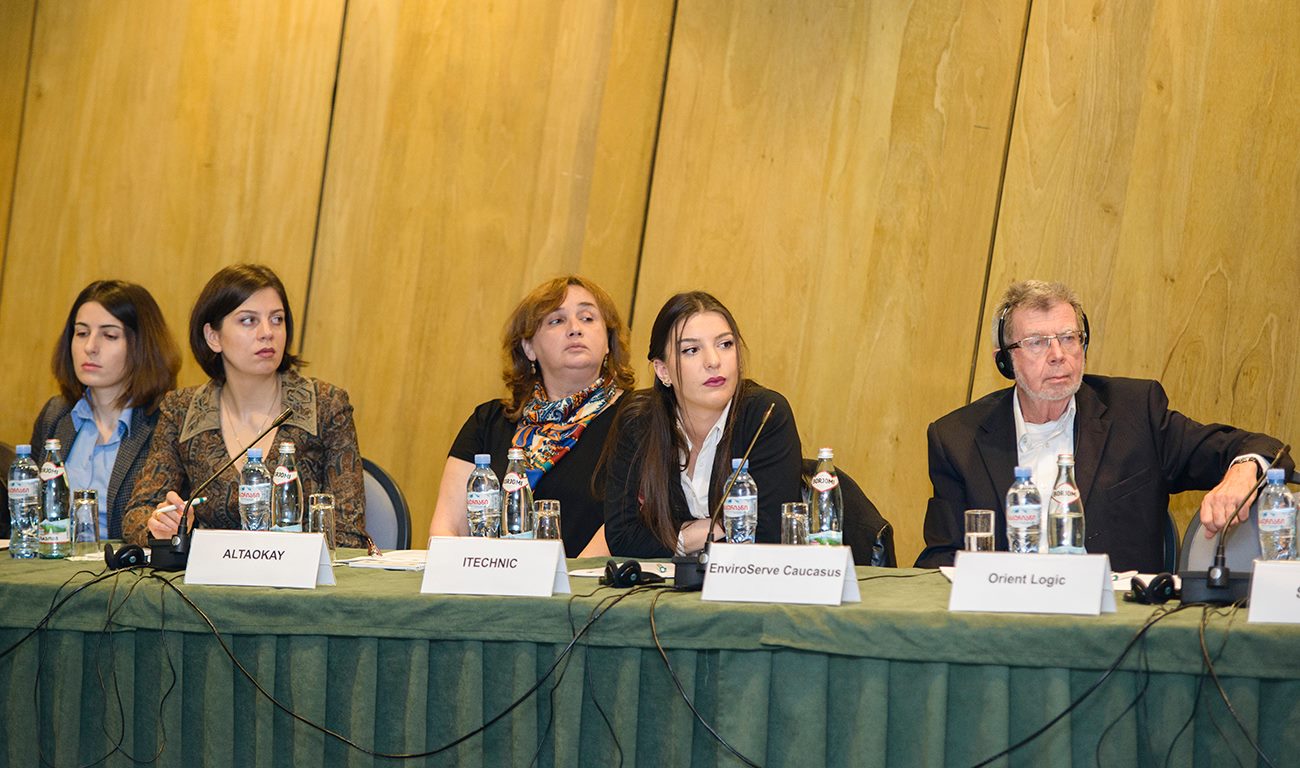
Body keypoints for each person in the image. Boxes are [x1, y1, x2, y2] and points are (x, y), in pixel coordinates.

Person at [916, 280, 1292, 572]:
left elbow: (1265, 448)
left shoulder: (1135, 413)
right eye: (1037, 343)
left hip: (1116, 630)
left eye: (1069, 338)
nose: (1058, 355)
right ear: (1005, 361)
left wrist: (1245, 469)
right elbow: (940, 561)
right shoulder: (957, 439)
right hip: (1005, 625)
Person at [122, 264, 367, 548]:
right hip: (210, 573)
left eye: (277, 319)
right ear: (213, 337)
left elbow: (349, 532)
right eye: (249, 320)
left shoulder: (325, 405)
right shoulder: (182, 410)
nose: (267, 333)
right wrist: (161, 526)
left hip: (298, 572)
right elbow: (138, 514)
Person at [429, 276, 635, 557]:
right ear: (528, 348)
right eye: (556, 321)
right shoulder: (489, 421)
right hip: (488, 576)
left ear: (609, 342)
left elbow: (627, 522)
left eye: (587, 318)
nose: (575, 329)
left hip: (582, 580)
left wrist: (565, 578)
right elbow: (448, 529)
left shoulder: (638, 418)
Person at [602, 291, 803, 557]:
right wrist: (715, 528)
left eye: (725, 344)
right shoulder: (639, 421)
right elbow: (622, 538)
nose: (714, 361)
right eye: (691, 350)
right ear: (663, 371)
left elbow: (767, 537)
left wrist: (675, 538)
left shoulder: (765, 414)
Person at [21, 281, 180, 541]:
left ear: (142, 345)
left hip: (128, 563)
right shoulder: (55, 414)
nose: (90, 347)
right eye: (82, 333)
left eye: (109, 336)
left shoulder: (167, 419)